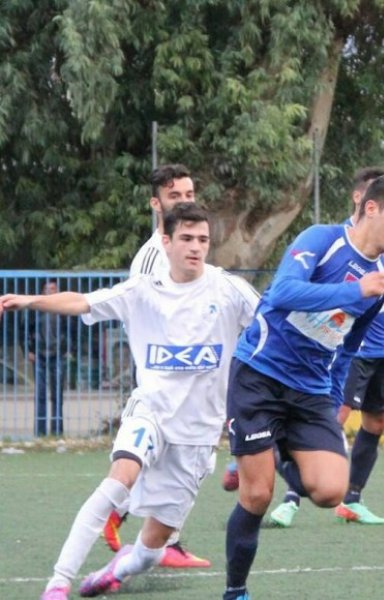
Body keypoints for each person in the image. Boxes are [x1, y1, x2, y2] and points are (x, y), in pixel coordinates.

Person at [0, 203, 259, 600]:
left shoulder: (228, 290)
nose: (195, 247)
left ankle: (118, 568)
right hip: (149, 412)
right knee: (117, 481)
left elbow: (272, 322)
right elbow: (83, 302)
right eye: (186, 238)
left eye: (203, 239)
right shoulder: (142, 290)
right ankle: (58, 583)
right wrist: (29, 301)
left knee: (150, 551)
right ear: (166, 242)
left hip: (197, 434)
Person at [223, 175, 384, 600]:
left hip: (311, 391)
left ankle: (274, 447)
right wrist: (352, 290)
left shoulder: (381, 281)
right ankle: (236, 591)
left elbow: (348, 345)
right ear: (371, 208)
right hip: (259, 374)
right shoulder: (323, 239)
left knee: (331, 490)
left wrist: (334, 401)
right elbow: (282, 293)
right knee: (257, 495)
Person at [268, 168, 384, 529]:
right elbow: (285, 293)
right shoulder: (332, 240)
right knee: (330, 421)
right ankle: (291, 494)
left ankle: (352, 499)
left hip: (377, 350)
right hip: (334, 354)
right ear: (365, 203)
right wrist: (352, 294)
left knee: (377, 420)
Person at [102, 163, 208, 569]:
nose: (183, 201)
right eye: (174, 195)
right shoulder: (151, 258)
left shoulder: (187, 244)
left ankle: (137, 522)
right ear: (156, 203)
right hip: (163, 377)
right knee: (175, 456)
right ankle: (140, 525)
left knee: (196, 459)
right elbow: (145, 316)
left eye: (188, 194)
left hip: (191, 375)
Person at [25, 280, 69, 436]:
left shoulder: (64, 309)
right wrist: (29, 350)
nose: (49, 291)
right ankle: (40, 432)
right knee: (40, 394)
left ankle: (57, 431)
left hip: (58, 354)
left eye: (52, 289)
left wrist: (69, 349)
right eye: (46, 289)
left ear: (58, 291)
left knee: (57, 395)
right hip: (39, 354)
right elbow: (26, 329)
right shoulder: (36, 310)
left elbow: (71, 331)